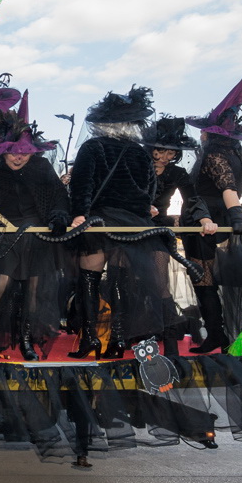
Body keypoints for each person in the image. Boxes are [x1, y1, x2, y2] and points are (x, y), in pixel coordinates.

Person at [67, 86, 178, 359]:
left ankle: (90, 339)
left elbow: (82, 185)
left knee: (89, 281)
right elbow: (148, 190)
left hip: (98, 221)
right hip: (132, 224)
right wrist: (141, 211)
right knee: (120, 282)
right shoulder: (140, 153)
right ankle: (118, 340)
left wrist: (79, 213)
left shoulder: (92, 147)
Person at [0, 95, 70, 360]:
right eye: (14, 152)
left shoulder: (42, 167)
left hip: (37, 237)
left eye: (25, 152)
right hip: (4, 237)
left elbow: (59, 196)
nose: (19, 157)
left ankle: (26, 339)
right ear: (4, 150)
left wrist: (59, 216)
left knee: (33, 293)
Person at [184, 77, 242, 353]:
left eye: (203, 132)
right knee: (210, 276)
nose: (200, 136)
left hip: (204, 217)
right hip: (220, 218)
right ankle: (220, 333)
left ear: (209, 134)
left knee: (203, 276)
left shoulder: (214, 155)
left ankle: (216, 333)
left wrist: (239, 217)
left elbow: (228, 188)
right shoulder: (237, 156)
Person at [144, 116, 217, 354]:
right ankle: (131, 335)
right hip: (129, 224)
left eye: (170, 153)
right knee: (125, 280)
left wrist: (204, 219)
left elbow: (192, 198)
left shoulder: (178, 173)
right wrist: (139, 206)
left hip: (157, 229)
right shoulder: (136, 164)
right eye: (160, 151)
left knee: (161, 282)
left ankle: (170, 344)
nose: (165, 157)